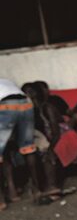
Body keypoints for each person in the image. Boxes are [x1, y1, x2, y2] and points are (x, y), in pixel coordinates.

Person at [0, 79, 41, 211]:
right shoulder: (5, 81)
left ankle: (1, 201)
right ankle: (36, 189)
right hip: (26, 104)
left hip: (5, 106)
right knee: (28, 148)